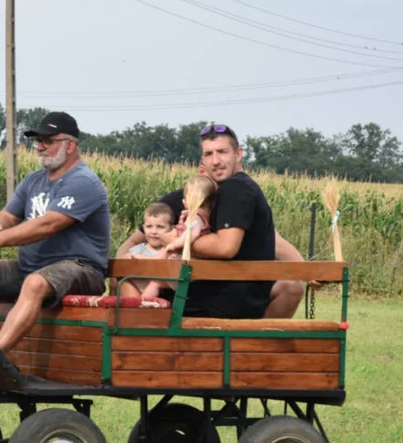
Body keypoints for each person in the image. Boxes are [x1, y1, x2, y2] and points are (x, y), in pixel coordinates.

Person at [0, 111, 110, 353]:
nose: (40, 147)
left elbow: (48, 225)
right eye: (38, 141)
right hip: (31, 268)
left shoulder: (83, 182)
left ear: (70, 146)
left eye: (48, 141)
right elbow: (7, 215)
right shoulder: (33, 180)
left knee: (36, 283)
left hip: (81, 269)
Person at [114, 128, 306, 318]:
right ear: (202, 163)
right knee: (126, 277)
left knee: (127, 281)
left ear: (238, 154)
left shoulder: (235, 188)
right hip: (226, 293)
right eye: (209, 154)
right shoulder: (222, 192)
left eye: (222, 152)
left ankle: (140, 341)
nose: (216, 161)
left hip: (217, 301)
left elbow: (226, 247)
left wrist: (176, 239)